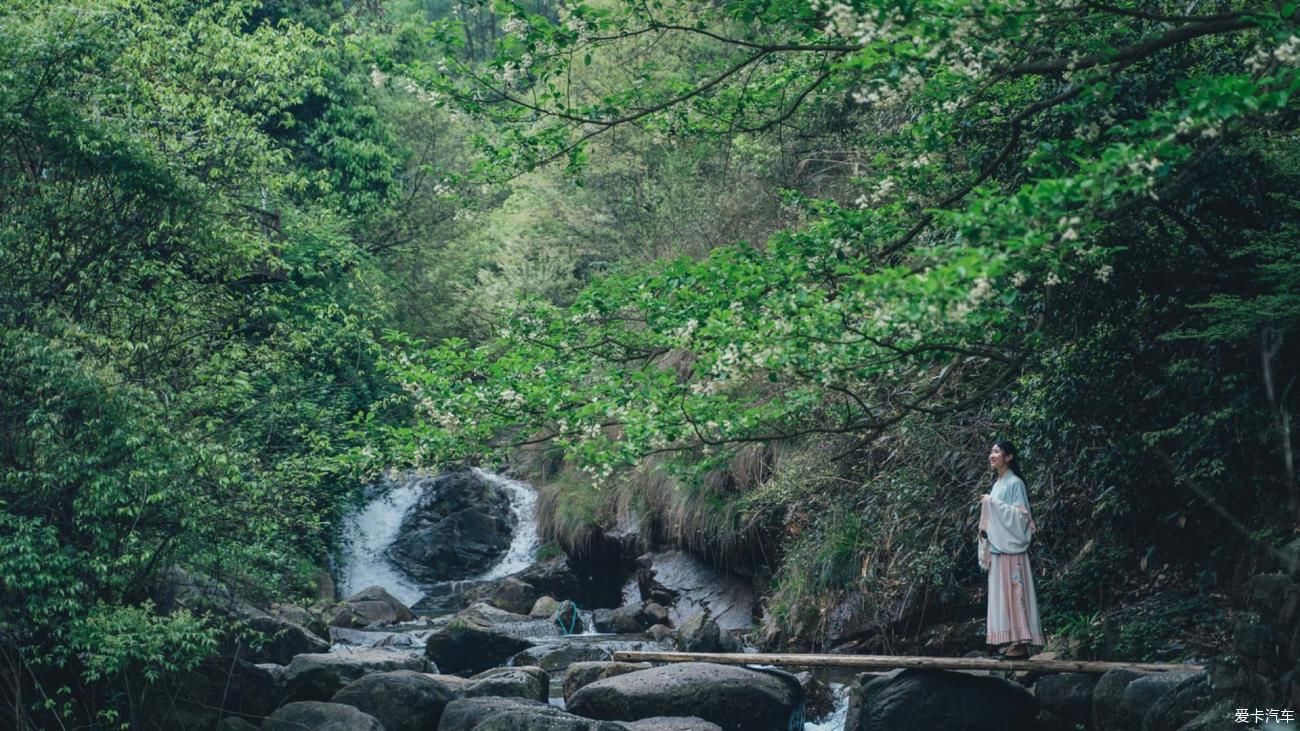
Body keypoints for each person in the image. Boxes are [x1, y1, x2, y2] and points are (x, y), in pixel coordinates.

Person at [977, 439, 1044, 659]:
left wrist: (991, 503)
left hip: (1011, 550)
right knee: (1003, 595)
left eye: (996, 452)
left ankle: (1021, 641)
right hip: (998, 548)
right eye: (991, 451)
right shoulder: (997, 484)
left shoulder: (1015, 483)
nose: (991, 455)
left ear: (1009, 457)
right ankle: (1011, 640)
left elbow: (1021, 518)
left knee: (1015, 593)